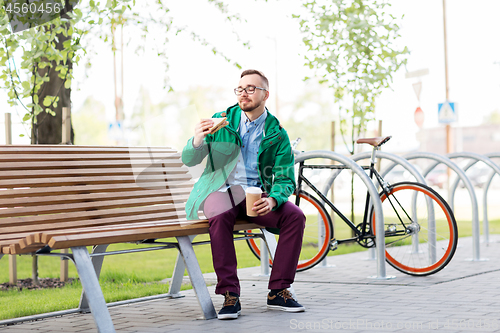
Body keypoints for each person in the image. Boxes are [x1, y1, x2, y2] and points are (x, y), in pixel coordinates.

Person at [182, 69, 306, 320]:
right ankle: (230, 294)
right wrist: (196, 140)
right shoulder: (221, 121)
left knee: (295, 216)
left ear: (265, 94)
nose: (244, 93)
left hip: (256, 195)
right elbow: (189, 160)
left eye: (251, 88)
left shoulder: (276, 133)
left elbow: (284, 179)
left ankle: (279, 290)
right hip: (221, 190)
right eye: (240, 89)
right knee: (219, 212)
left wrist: (272, 199)